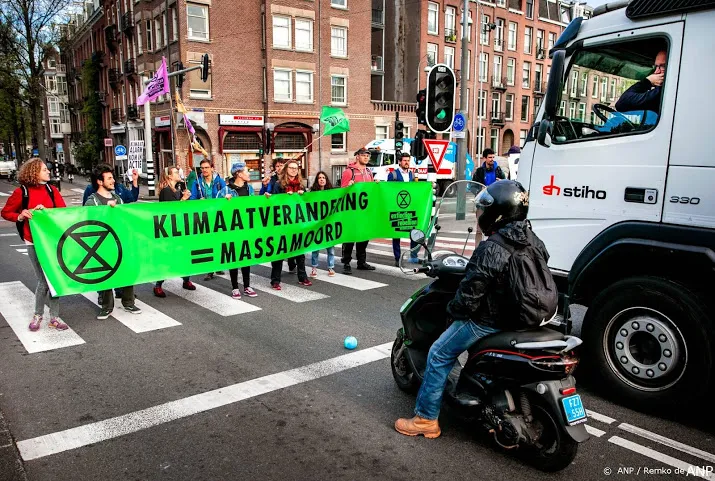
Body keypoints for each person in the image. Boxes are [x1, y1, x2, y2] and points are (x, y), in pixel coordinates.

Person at [395, 180, 544, 439]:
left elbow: (470, 294)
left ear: (498, 212)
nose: (479, 214)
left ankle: (425, 419)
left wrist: (453, 311)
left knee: (439, 353)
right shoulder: (532, 239)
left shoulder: (493, 247)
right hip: (530, 315)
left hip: (493, 319)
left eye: (483, 209)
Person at [1, 158, 68, 331]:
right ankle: (38, 314)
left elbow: (63, 212)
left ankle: (54, 317)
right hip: (33, 241)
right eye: (45, 169)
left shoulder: (52, 190)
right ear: (34, 172)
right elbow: (6, 212)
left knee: (53, 277)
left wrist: (47, 213)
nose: (48, 172)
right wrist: (22, 215)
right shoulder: (22, 193)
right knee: (43, 280)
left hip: (52, 241)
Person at [86, 164, 143, 320]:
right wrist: (106, 210)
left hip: (120, 241)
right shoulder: (93, 201)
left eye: (112, 177)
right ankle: (106, 306)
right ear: (99, 181)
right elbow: (89, 222)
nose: (113, 181)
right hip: (102, 245)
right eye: (109, 178)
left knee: (127, 271)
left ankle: (128, 302)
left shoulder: (118, 198)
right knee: (105, 274)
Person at [267, 159, 313, 289]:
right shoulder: (278, 185)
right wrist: (285, 197)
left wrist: (303, 195)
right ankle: (275, 280)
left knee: (300, 250)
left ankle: (302, 276)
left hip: (297, 223)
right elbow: (274, 203)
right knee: (279, 251)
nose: (293, 170)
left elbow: (307, 203)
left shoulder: (301, 185)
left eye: (296, 168)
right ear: (286, 169)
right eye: (291, 167)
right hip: (282, 224)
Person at [217, 162, 259, 299]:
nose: (249, 174)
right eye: (247, 171)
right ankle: (235, 287)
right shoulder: (226, 190)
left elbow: (255, 206)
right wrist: (224, 202)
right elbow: (215, 207)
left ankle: (247, 286)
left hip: (246, 229)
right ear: (239, 174)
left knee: (246, 257)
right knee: (234, 258)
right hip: (232, 230)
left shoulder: (250, 189)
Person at [153, 166, 196, 297]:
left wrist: (185, 198)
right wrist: (183, 199)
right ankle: (158, 285)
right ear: (169, 176)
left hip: (179, 228)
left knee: (184, 255)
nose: (179, 173)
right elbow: (171, 210)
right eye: (176, 172)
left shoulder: (176, 189)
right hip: (170, 230)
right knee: (169, 257)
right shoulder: (166, 191)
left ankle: (186, 280)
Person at [340, 148, 377, 275]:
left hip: (365, 211)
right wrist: (348, 186)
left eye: (368, 156)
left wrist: (375, 185)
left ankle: (361, 262)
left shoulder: (369, 172)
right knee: (350, 237)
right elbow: (342, 192)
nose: (366, 157)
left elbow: (371, 192)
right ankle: (346, 262)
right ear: (357, 157)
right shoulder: (349, 172)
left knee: (364, 236)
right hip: (352, 211)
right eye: (363, 155)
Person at [189, 159, 226, 280]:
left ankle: (219, 264)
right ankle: (210, 269)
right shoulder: (197, 183)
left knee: (219, 241)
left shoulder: (220, 182)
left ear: (212, 168)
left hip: (218, 215)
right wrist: (197, 202)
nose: (204, 170)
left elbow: (227, 195)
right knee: (208, 242)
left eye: (206, 167)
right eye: (202, 168)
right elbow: (192, 199)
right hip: (204, 217)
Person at [388, 152, 420, 266]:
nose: (407, 163)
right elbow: (389, 191)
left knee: (413, 232)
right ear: (400, 162)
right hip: (397, 208)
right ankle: (397, 258)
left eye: (408, 160)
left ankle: (413, 255)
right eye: (405, 161)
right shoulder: (393, 175)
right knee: (396, 234)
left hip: (410, 208)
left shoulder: (411, 175)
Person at [615, 49, 666, 114]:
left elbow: (622, 103)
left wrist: (647, 82)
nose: (656, 71)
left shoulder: (662, 93)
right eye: (656, 66)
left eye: (663, 66)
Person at [308, 171, 336, 278]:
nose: (322, 179)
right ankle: (314, 267)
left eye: (323, 177)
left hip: (328, 224)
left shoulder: (332, 192)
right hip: (317, 224)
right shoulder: (312, 192)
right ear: (317, 180)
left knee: (330, 248)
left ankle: (330, 267)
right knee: (316, 247)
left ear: (326, 179)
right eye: (319, 177)